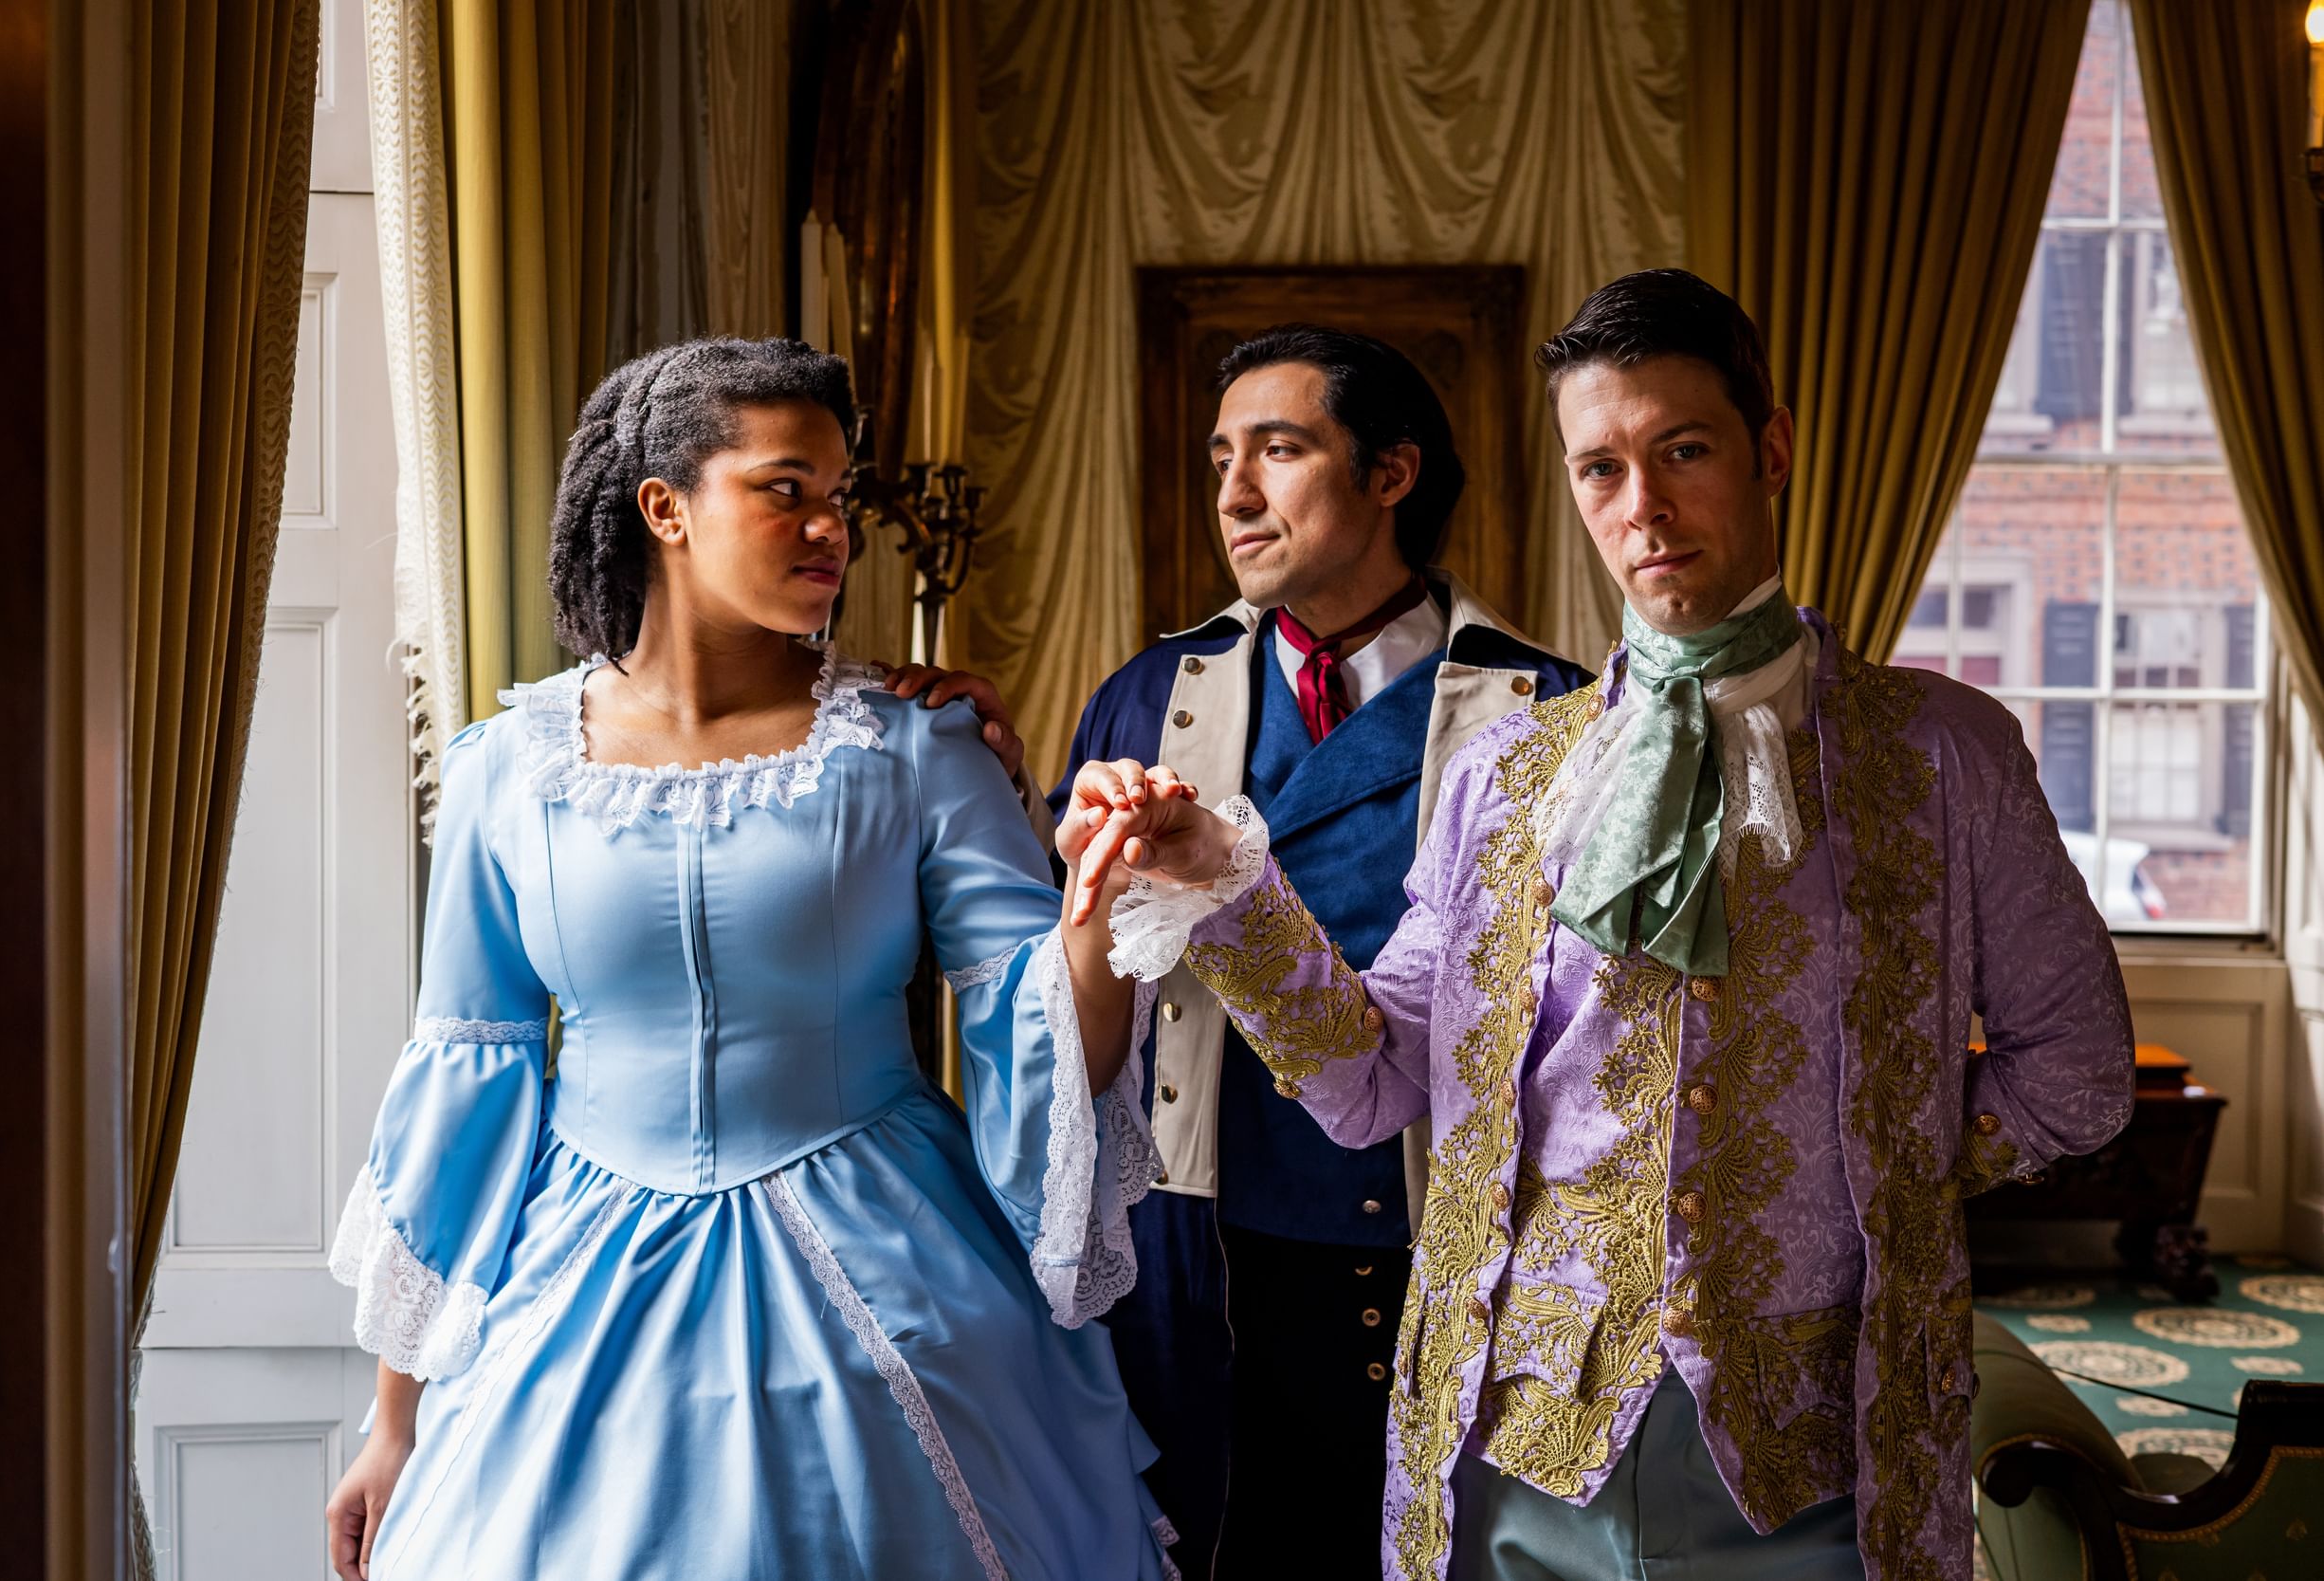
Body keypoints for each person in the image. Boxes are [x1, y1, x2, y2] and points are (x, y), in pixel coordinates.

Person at [1068, 271, 2136, 1581]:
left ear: (1773, 449)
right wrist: (1217, 882)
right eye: (1602, 470)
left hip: (1819, 1459)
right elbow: (1369, 1078)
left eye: (1682, 451)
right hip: (1514, 1450)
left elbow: (2075, 1078)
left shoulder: (1942, 754)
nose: (1645, 510)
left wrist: (1885, 1177)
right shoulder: (1506, 774)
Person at [320, 337, 1183, 1581]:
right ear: (665, 508)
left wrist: (1110, 908)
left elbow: (1034, 1024)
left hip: (896, 1273)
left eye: (840, 495)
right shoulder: (502, 773)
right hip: (568, 1297)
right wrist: (393, 1420)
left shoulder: (918, 746)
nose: (830, 527)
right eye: (787, 488)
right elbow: (469, 1079)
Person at [1050, 325, 1587, 1575]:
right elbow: (1074, 982)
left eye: (1280, 451)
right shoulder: (1148, 697)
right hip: (1200, 1256)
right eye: (1221, 456)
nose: (1234, 492)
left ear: (1390, 474)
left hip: (1443, 1252)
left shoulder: (1551, 710)